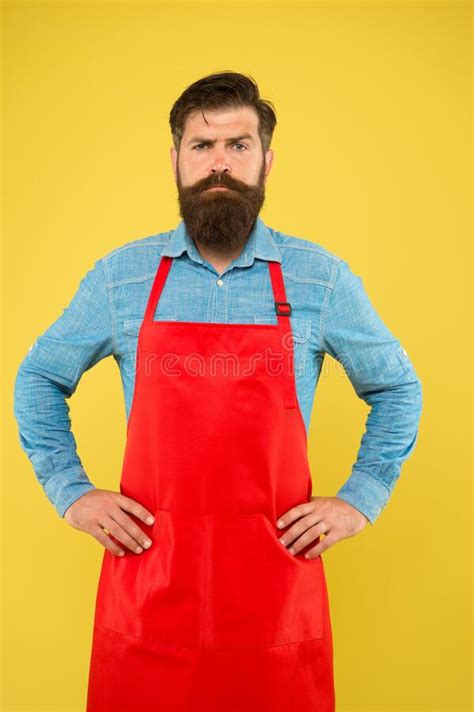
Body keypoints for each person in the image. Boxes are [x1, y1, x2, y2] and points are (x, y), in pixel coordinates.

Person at [13, 71, 423, 711]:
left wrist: (360, 499)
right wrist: (71, 492)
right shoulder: (122, 278)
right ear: (174, 159)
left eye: (239, 145)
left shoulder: (318, 278)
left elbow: (398, 387)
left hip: (275, 599)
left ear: (267, 161)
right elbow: (39, 377)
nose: (219, 166)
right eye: (202, 146)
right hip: (150, 590)